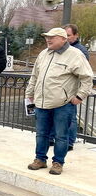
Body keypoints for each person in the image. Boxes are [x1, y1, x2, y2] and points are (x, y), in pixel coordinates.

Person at [26, 28, 92, 175]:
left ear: (63, 39)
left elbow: (87, 78)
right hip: (42, 103)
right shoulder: (44, 54)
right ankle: (40, 159)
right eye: (46, 37)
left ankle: (58, 163)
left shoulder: (75, 55)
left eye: (52, 37)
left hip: (63, 104)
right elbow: (34, 76)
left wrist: (80, 97)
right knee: (41, 133)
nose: (48, 40)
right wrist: (30, 93)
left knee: (61, 136)